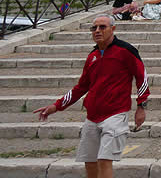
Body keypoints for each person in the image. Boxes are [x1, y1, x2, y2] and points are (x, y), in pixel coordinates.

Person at [33, 14, 149, 178]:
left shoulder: (126, 51)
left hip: (115, 113)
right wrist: (56, 106)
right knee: (90, 161)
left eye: (102, 27)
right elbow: (81, 87)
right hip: (92, 116)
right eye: (94, 28)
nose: (97, 31)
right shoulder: (92, 56)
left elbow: (142, 77)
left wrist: (141, 106)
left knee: (104, 159)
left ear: (113, 29)